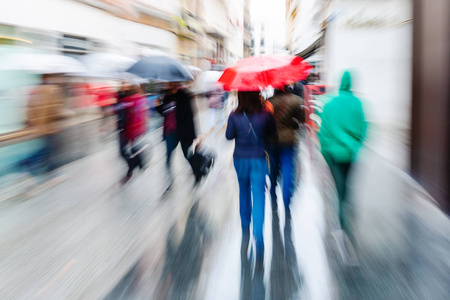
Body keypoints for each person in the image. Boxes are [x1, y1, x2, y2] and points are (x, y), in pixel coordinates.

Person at [226, 91, 277, 271]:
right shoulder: (265, 114)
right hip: (258, 159)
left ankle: (245, 226)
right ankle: (258, 238)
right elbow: (273, 135)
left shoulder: (234, 115)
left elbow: (228, 136)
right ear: (257, 96)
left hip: (239, 159)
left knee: (243, 191)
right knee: (259, 197)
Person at [318, 71, 366, 246]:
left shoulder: (330, 104)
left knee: (339, 189)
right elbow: (363, 127)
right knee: (346, 186)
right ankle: (346, 211)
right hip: (351, 154)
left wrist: (325, 153)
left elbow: (323, 132)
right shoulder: (357, 104)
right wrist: (357, 145)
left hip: (334, 155)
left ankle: (342, 225)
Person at [156, 82, 213, 187]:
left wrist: (196, 134)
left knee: (188, 155)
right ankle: (169, 182)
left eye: (169, 82)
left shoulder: (184, 95)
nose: (167, 84)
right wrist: (157, 106)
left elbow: (191, 116)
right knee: (168, 158)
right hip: (170, 132)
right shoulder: (166, 96)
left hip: (183, 131)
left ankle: (197, 173)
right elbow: (164, 113)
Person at [267, 87, 305, 220]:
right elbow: (302, 120)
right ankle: (287, 200)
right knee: (288, 168)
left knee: (272, 167)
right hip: (289, 140)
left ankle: (273, 194)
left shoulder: (268, 102)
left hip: (271, 141)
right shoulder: (296, 100)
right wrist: (293, 125)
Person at [120, 85, 148, 183]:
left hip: (131, 130)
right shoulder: (140, 99)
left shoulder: (130, 100)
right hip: (134, 130)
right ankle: (138, 165)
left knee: (126, 151)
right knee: (132, 150)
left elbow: (119, 108)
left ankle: (134, 166)